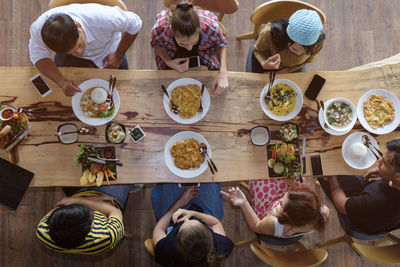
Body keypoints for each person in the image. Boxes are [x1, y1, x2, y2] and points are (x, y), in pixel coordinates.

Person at [29, 4, 142, 96]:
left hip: (109, 51)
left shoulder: (106, 18)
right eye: (73, 51)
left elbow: (135, 24)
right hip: (68, 58)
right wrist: (61, 81)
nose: (78, 53)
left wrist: (118, 55)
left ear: (78, 26)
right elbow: (38, 56)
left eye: (79, 45)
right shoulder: (38, 29)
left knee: (125, 90)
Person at [319, 139, 400, 234]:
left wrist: (332, 177)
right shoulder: (395, 181)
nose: (379, 161)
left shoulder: (376, 201)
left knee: (323, 173)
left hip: (360, 226)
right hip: (380, 216)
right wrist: (385, 175)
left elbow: (341, 205)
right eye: (382, 157)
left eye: (384, 163)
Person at [150, 1, 228, 95]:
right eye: (183, 44)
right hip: (171, 54)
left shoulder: (211, 27)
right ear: (171, 30)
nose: (189, 49)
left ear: (200, 27)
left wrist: (223, 72)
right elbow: (156, 45)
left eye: (194, 42)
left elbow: (221, 44)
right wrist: (168, 62)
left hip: (203, 52)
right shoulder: (159, 29)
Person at [151, 183, 234, 266]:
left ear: (178, 242)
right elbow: (216, 223)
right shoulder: (220, 250)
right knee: (209, 181)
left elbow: (159, 229)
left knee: (169, 182)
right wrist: (193, 213)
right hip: (206, 214)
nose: (186, 219)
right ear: (209, 235)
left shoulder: (166, 251)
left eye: (183, 224)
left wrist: (179, 204)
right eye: (200, 223)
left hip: (173, 216)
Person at [36, 185, 130, 254]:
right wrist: (94, 199)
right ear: (91, 226)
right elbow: (114, 210)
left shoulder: (43, 231)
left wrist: (79, 200)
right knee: (126, 174)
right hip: (109, 199)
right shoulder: (107, 237)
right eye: (91, 216)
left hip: (78, 195)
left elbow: (60, 205)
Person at [221, 184, 329, 242]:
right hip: (292, 228)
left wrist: (244, 203)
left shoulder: (273, 222)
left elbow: (256, 226)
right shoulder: (323, 212)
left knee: (258, 182)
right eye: (285, 196)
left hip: (265, 212)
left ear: (287, 217)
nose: (280, 200)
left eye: (282, 205)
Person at [251, 9, 325, 73]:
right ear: (288, 41)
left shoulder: (318, 42)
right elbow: (257, 51)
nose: (299, 54)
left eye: (306, 51)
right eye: (294, 49)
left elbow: (309, 59)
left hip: (291, 69)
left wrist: (284, 71)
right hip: (264, 63)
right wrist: (264, 64)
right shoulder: (268, 33)